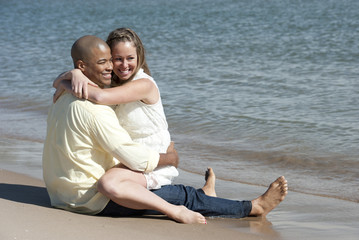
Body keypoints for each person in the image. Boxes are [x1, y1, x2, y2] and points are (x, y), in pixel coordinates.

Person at [43, 35, 288, 224]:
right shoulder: (94, 108)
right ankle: (253, 207)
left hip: (61, 197)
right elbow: (137, 159)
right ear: (83, 66)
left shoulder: (62, 96)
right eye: (104, 61)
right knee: (181, 196)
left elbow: (83, 87)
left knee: (140, 187)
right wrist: (171, 158)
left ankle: (206, 194)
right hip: (91, 200)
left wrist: (69, 77)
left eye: (111, 60)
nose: (111, 67)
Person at [53, 28, 178, 191]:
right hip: (127, 155)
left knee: (113, 189)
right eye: (117, 59)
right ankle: (204, 191)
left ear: (139, 56)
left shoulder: (144, 85)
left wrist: (65, 83)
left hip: (152, 158)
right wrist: (74, 73)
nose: (124, 65)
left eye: (130, 58)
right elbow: (55, 83)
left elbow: (100, 97)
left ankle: (201, 195)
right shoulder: (112, 81)